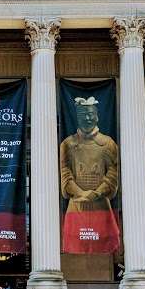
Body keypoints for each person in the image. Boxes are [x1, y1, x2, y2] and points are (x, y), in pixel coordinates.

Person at [59, 95, 121, 253]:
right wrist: (80, 193)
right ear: (76, 118)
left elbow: (113, 173)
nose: (87, 118)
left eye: (91, 114)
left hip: (100, 204)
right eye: (82, 115)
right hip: (77, 205)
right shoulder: (67, 144)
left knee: (104, 247)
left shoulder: (107, 143)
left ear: (97, 116)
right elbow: (65, 173)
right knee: (75, 246)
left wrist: (97, 193)